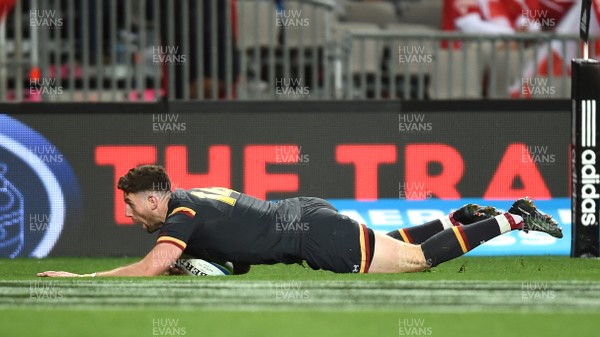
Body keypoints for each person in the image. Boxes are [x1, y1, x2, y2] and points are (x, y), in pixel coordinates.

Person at [37, 165, 562, 277]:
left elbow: (153, 267)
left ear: (154, 198)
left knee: (416, 261)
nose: (129, 215)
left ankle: (514, 219)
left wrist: (81, 279)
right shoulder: (193, 201)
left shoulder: (185, 211)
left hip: (311, 233)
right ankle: (460, 216)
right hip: (306, 215)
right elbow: (237, 264)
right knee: (392, 243)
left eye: (131, 204)